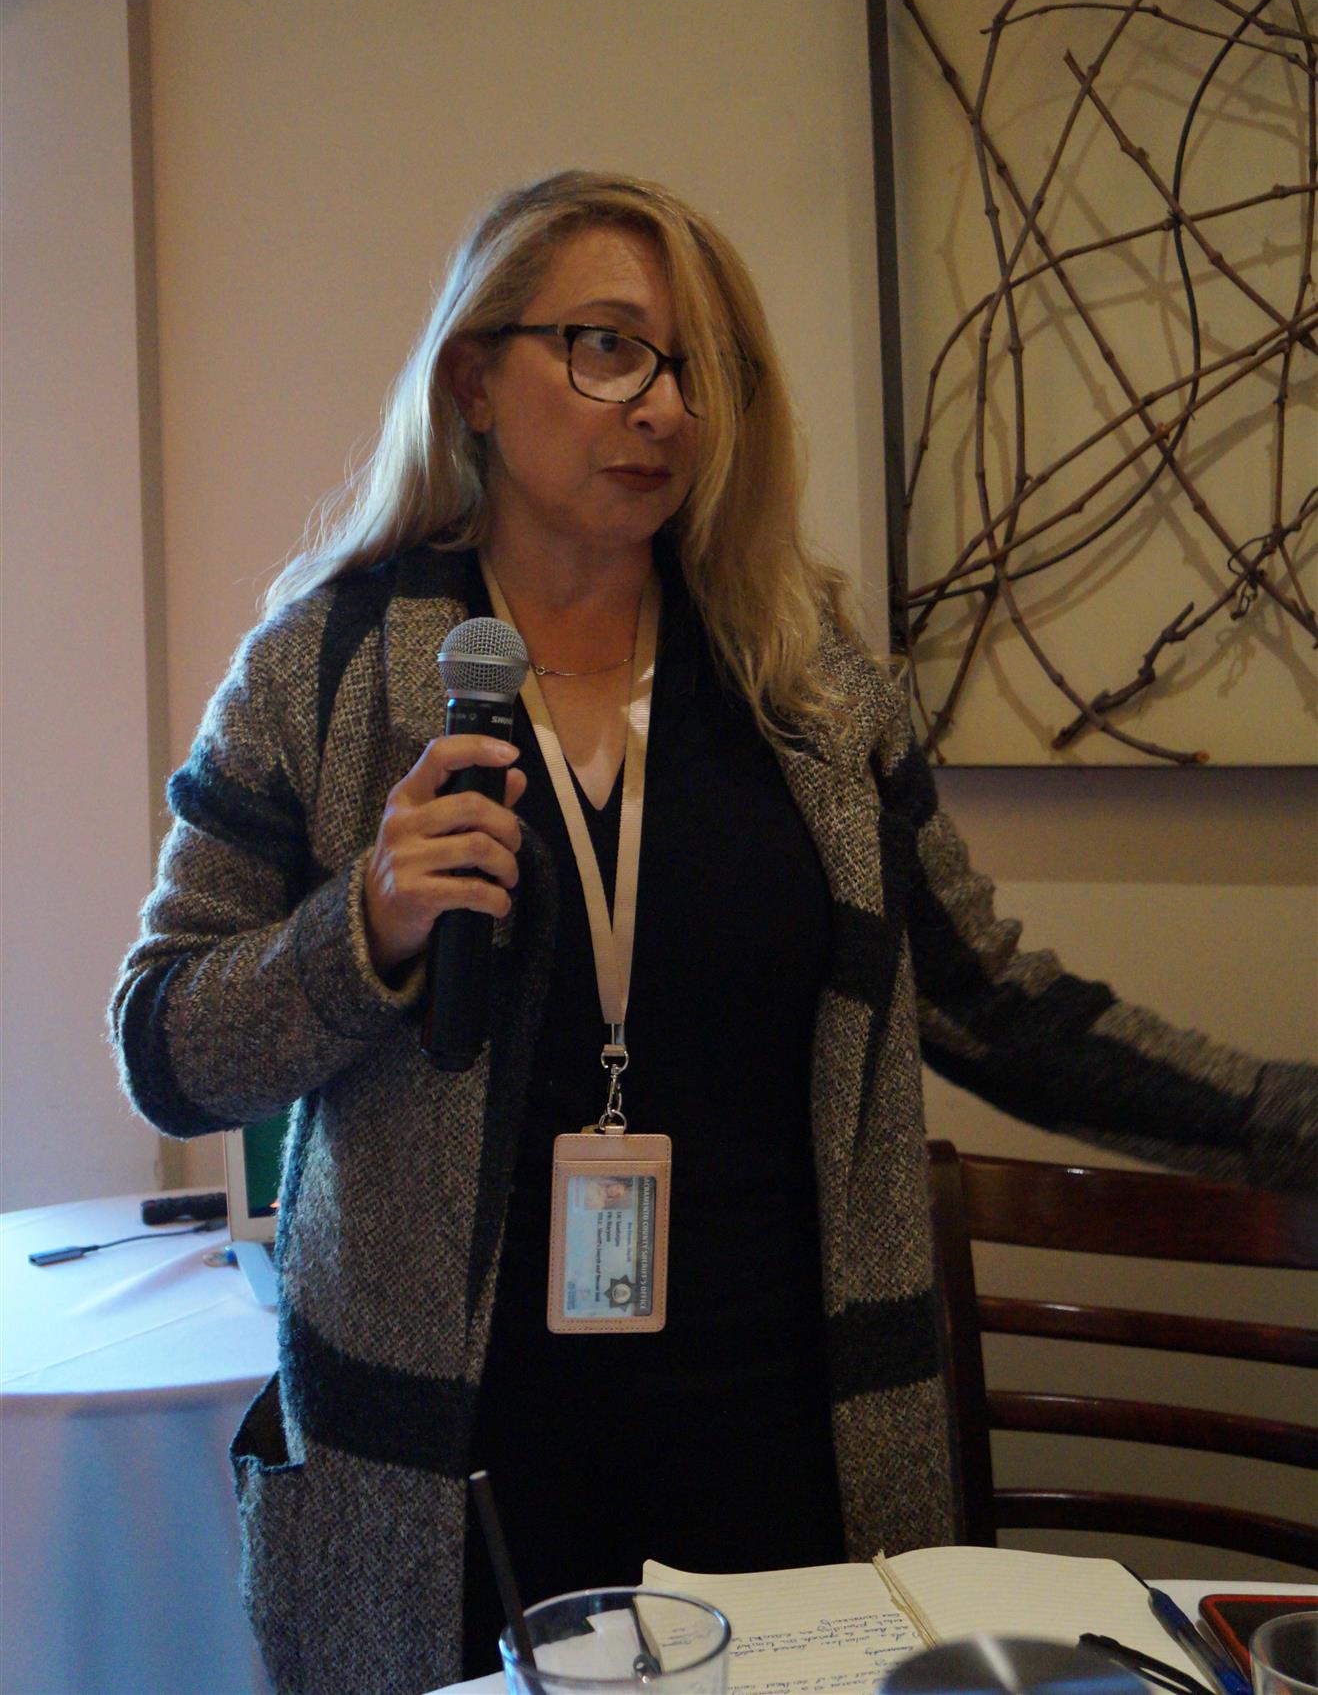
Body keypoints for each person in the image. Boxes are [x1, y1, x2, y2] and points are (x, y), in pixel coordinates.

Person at [111, 170, 1316, 1695]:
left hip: (785, 1445)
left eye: (700, 367)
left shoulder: (806, 676)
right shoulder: (326, 668)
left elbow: (994, 1004)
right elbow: (167, 1048)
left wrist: (1288, 1115)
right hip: (447, 1472)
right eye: (607, 347)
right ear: (473, 379)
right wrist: (365, 927)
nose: (666, 409)